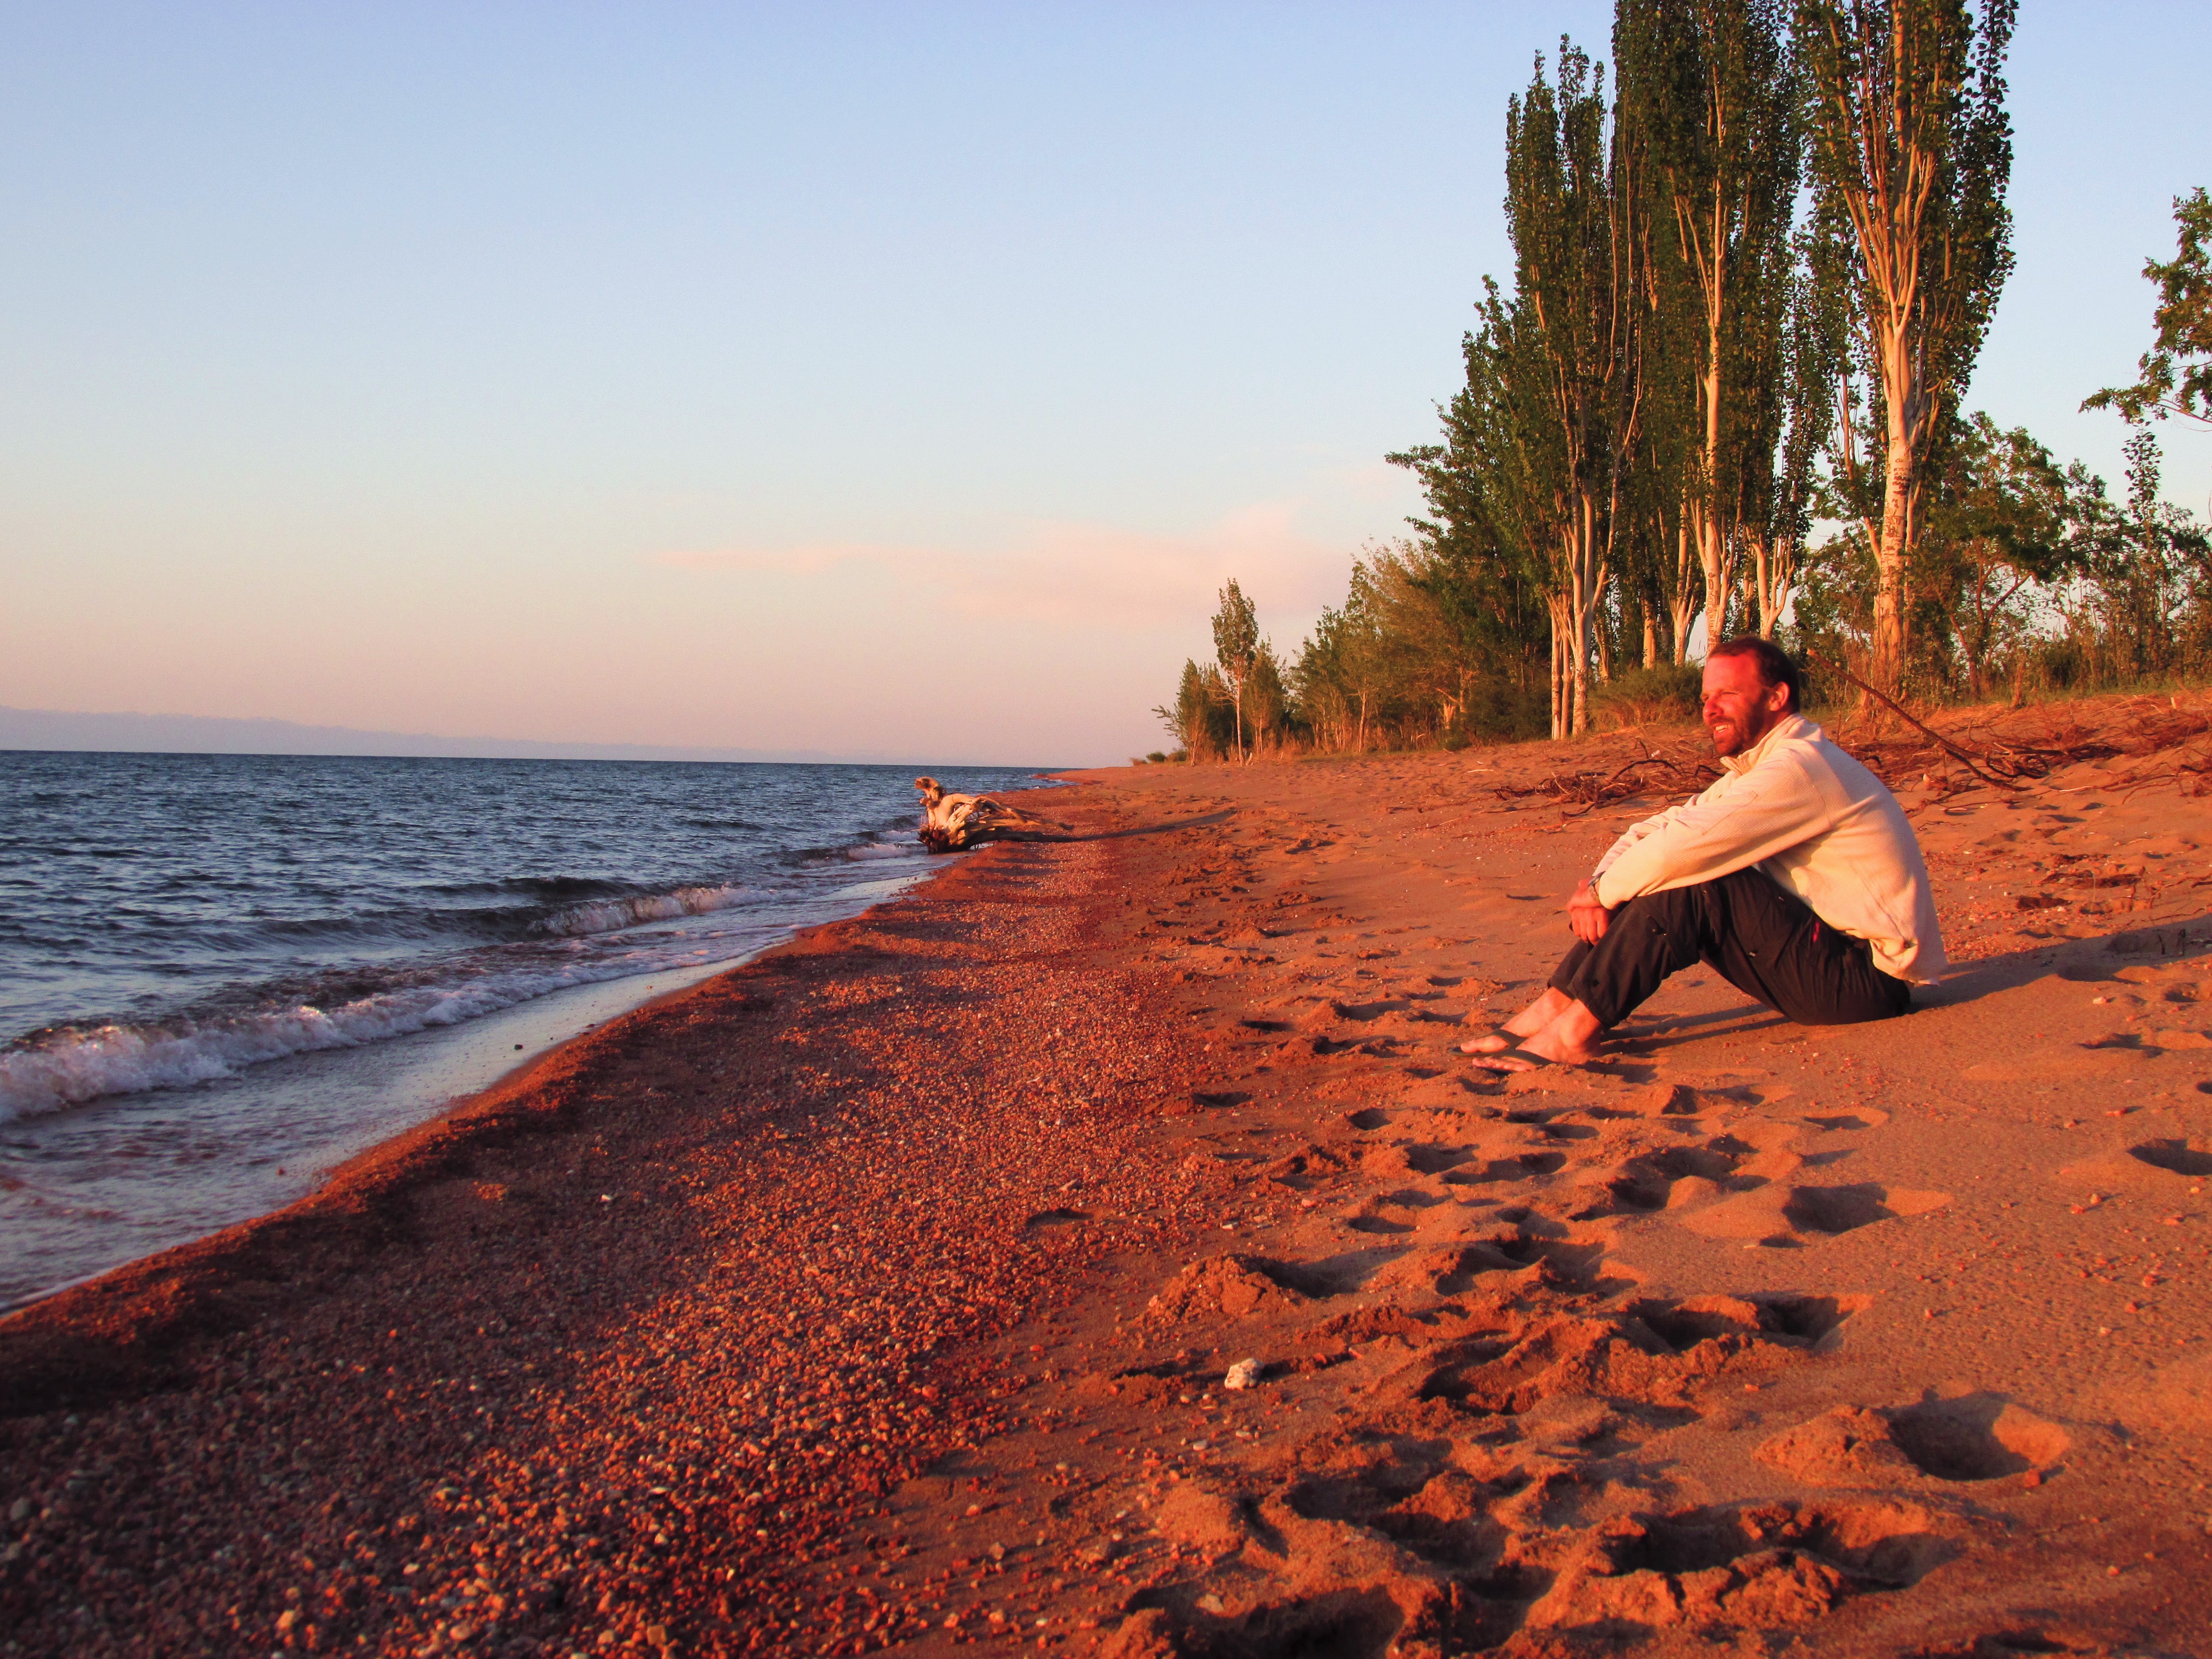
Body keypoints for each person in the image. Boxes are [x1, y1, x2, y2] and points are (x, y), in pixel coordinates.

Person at [1465, 637, 1945, 1072]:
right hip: (1831, 961)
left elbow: (1681, 849)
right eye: (1705, 700)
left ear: (1776, 698)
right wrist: (1600, 886)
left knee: (1695, 880)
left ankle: (1573, 1032)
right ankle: (1555, 1006)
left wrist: (1600, 893)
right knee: (1666, 869)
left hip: (1867, 982)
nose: (1710, 710)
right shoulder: (1763, 767)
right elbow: (1663, 827)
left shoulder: (1803, 767)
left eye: (1726, 696)